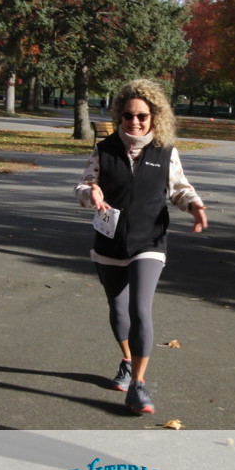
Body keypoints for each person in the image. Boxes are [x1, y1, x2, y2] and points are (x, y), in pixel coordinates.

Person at [75, 79, 208, 415]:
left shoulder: (165, 152)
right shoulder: (105, 150)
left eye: (142, 116)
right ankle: (126, 359)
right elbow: (83, 186)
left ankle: (138, 384)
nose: (135, 122)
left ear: (154, 117)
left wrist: (194, 205)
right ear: (120, 116)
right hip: (110, 240)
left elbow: (179, 188)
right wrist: (90, 192)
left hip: (150, 240)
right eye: (128, 115)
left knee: (139, 309)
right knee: (118, 310)